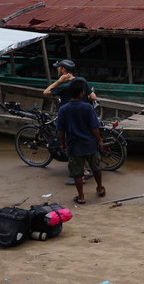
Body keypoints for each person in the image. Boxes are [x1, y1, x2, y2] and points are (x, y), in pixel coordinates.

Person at [48, 60, 105, 204]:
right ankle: (100, 188)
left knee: (77, 173)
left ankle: (81, 196)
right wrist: (99, 140)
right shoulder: (87, 107)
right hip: (90, 143)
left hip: (74, 144)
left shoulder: (64, 109)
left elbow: (61, 130)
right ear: (81, 94)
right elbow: (94, 127)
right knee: (96, 168)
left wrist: (62, 144)